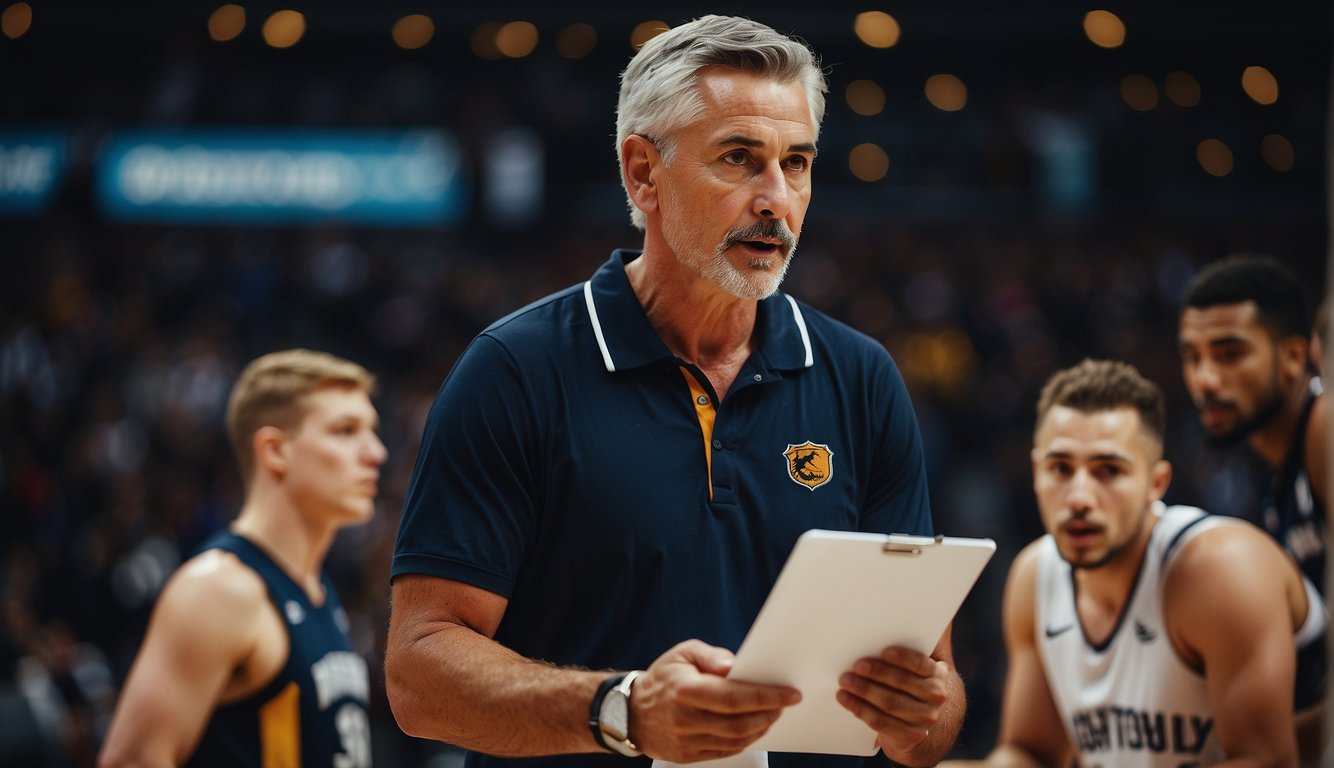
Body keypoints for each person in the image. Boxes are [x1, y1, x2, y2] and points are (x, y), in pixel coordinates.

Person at [385, 14, 964, 768]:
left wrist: (918, 709)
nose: (775, 198)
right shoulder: (515, 370)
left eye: (797, 163)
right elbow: (419, 673)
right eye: (739, 158)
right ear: (641, 174)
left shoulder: (860, 377)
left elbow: (937, 712)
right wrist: (620, 710)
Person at [946, 359, 1326, 767]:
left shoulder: (1220, 567)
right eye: (1060, 468)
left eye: (1107, 470)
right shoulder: (1034, 575)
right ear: (1036, 472)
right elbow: (1031, 752)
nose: (1078, 497)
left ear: (1156, 483)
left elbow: (1267, 760)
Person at [98, 349, 387, 768]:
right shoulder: (221, 589)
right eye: (345, 431)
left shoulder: (316, 587)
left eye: (372, 431)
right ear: (274, 450)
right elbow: (131, 761)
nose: (375, 452)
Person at [1178, 254, 1327, 759]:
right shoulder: (1276, 478)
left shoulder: (1325, 425)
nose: (1205, 380)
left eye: (1229, 353)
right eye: (1192, 357)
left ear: (1292, 357)